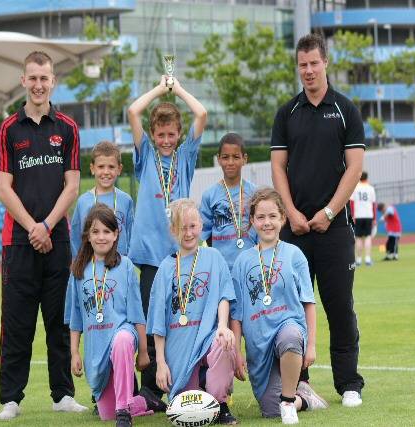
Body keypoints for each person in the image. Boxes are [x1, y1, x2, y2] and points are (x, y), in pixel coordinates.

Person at [270, 33, 365, 407]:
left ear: (326, 62)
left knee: (339, 306)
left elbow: (354, 168)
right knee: (292, 309)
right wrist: (290, 212)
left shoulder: (345, 109)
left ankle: (349, 384)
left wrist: (328, 212)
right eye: (302, 65)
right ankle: (299, 385)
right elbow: (278, 166)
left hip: (335, 229)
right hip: (294, 230)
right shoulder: (286, 113)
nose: (308, 71)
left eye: (313, 63)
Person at [0, 51, 86, 420]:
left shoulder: (67, 128)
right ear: (23, 80)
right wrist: (32, 227)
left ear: (53, 82)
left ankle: (62, 394)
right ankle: (10, 399)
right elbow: (3, 187)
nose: (38, 84)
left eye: (44, 78)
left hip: (57, 238)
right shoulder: (8, 129)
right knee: (17, 323)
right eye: (32, 78)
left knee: (59, 323)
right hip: (18, 241)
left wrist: (47, 225)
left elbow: (73, 185)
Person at [127, 75, 207, 401]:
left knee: (179, 315)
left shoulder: (185, 156)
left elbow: (201, 115)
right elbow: (133, 111)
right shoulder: (145, 153)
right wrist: (161, 89)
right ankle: (149, 387)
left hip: (178, 251)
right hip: (148, 251)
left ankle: (180, 379)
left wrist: (179, 90)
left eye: (172, 134)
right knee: (149, 317)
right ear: (152, 134)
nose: (166, 140)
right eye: (160, 134)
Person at [231, 189, 328, 424]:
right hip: (258, 343)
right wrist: (236, 351)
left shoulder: (295, 255)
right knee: (270, 411)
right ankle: (302, 396)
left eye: (273, 216)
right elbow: (237, 314)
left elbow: (308, 303)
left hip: (288, 328)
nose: (267, 223)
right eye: (261, 217)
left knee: (290, 337)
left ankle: (288, 400)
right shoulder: (242, 261)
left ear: (283, 218)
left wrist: (311, 345)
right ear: (252, 221)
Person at [146, 199, 238, 425]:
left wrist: (223, 326)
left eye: (192, 226)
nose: (187, 233)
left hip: (207, 336)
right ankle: (201, 382)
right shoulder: (165, 269)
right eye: (181, 228)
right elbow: (157, 322)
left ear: (201, 225)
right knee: (186, 406)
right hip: (179, 345)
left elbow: (223, 296)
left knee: (224, 343)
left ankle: (221, 403)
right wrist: (161, 363)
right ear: (172, 230)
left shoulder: (213, 257)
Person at [65, 140, 139, 415]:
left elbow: (128, 236)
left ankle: (128, 391)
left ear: (119, 169)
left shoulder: (127, 200)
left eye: (111, 166)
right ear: (92, 168)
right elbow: (76, 241)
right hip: (92, 273)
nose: (106, 172)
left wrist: (122, 266)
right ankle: (109, 395)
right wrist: (85, 269)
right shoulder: (84, 201)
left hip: (118, 273)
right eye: (101, 166)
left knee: (122, 333)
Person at [69, 205, 149, 427]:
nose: (101, 237)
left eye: (106, 231)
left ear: (116, 235)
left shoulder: (125, 266)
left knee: (122, 339)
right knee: (106, 414)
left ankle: (124, 410)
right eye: (95, 232)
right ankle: (140, 402)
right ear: (87, 236)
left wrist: (142, 351)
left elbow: (136, 313)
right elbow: (75, 318)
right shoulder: (78, 270)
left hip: (122, 336)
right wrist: (74, 352)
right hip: (96, 347)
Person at [200, 132, 257, 270]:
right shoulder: (209, 195)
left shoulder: (255, 193)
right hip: (222, 267)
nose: (230, 162)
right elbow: (206, 233)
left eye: (236, 157)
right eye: (225, 157)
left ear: (245, 159)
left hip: (250, 265)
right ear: (219, 159)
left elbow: (261, 228)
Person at [350, 172, 377, 266]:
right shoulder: (371, 188)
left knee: (358, 238)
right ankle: (368, 259)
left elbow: (352, 203)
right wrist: (374, 218)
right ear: (367, 178)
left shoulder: (355, 188)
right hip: (368, 215)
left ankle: (358, 260)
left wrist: (352, 216)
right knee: (368, 237)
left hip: (358, 216)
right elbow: (374, 204)